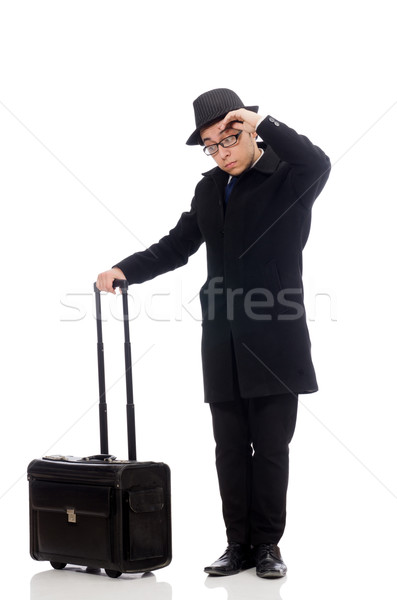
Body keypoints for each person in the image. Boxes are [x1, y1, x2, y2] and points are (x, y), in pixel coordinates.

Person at [96, 88, 331, 578]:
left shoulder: (289, 177)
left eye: (230, 138)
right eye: (211, 145)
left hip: (275, 339)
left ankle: (267, 545)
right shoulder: (208, 190)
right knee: (228, 450)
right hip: (221, 338)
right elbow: (176, 246)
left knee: (269, 450)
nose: (222, 152)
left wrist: (262, 119)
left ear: (250, 131)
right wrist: (124, 269)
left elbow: (319, 160)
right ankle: (236, 545)